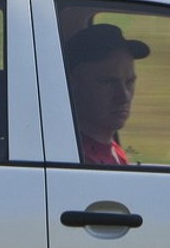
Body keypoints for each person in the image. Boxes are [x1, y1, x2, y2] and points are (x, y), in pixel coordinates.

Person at [63, 22, 148, 165]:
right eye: (108, 82)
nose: (124, 96)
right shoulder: (79, 160)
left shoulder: (112, 149)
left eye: (129, 82)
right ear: (73, 84)